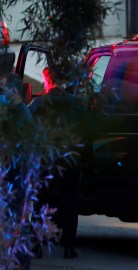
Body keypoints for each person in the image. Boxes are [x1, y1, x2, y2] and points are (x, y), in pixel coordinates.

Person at [29, 67, 80, 259]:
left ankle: (37, 245)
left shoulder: (39, 103)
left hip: (44, 160)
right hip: (71, 159)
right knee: (70, 202)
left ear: (47, 80)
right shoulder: (76, 103)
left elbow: (27, 127)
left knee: (41, 202)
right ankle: (69, 246)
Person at [1, 73, 35, 270]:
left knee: (16, 229)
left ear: (13, 92)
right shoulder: (18, 114)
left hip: (16, 182)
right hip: (16, 181)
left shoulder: (20, 117)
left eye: (2, 91)